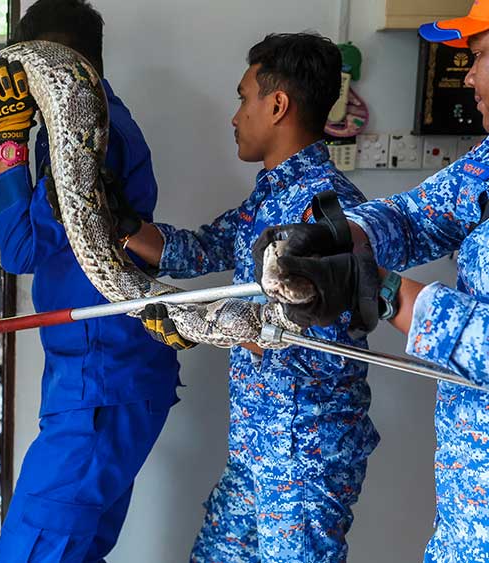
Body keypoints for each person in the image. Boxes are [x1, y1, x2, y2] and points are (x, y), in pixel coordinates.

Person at [123, 33, 379, 562]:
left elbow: (316, 333)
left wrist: (203, 324)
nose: (235, 116)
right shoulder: (267, 196)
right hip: (255, 450)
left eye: (244, 98)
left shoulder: (327, 209)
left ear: (278, 104)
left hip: (304, 459)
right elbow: (199, 250)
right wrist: (120, 227)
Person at [253, 3, 489, 561]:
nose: (469, 76)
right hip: (466, 511)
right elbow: (418, 215)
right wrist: (340, 236)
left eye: (479, 56)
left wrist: (386, 293)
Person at [0, 0, 181, 560]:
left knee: (33, 549)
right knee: (78, 548)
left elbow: (21, 250)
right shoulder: (96, 122)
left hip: (101, 383)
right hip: (105, 377)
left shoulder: (92, 138)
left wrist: (9, 143)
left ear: (52, 68)